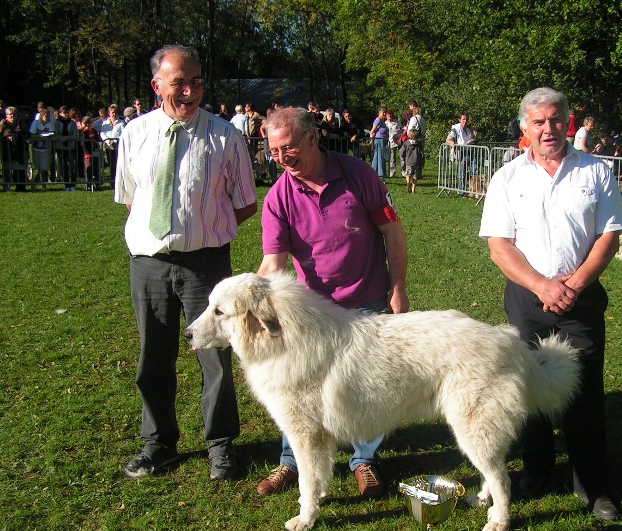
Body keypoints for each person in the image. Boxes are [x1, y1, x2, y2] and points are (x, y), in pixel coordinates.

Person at [478, 87, 622, 521]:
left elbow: (609, 235)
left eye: (556, 120)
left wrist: (575, 283)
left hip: (581, 298)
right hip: (528, 298)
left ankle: (593, 486)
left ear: (569, 122)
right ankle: (537, 470)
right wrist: (542, 286)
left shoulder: (596, 171)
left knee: (583, 393)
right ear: (525, 127)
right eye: (538, 122)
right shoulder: (507, 177)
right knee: (526, 387)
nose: (548, 129)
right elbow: (500, 246)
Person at [116, 44, 258, 481]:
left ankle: (220, 446)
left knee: (215, 359)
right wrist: (165, 236)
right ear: (158, 84)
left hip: (207, 266)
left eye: (197, 81)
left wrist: (204, 229)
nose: (190, 90)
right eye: (180, 82)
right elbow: (130, 200)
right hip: (150, 265)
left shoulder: (224, 136)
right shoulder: (133, 134)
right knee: (153, 358)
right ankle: (158, 445)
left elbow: (246, 203)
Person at [255, 107, 409, 499]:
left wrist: (398, 286)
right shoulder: (278, 198)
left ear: (312, 138)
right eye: (273, 152)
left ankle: (365, 461)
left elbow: (391, 230)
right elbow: (273, 264)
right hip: (312, 313)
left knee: (367, 385)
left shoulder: (359, 175)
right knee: (298, 386)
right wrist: (249, 299)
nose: (281, 158)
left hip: (367, 300)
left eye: (288, 148)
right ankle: (292, 462)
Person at [0, 106, 28, 191]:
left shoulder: (21, 123)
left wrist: (16, 136)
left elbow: (27, 134)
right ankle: (7, 186)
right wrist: (6, 137)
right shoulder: (3, 124)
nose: (12, 116)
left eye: (14, 114)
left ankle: (21, 185)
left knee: (20, 168)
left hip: (21, 149)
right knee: (7, 168)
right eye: (10, 114)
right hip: (7, 150)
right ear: (6, 115)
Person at [446, 112, 478, 196]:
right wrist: (452, 142)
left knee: (474, 171)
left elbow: (473, 138)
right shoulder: (455, 129)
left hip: (470, 151)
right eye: (463, 119)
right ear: (460, 120)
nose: (465, 121)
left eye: (466, 119)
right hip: (461, 153)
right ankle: (462, 192)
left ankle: (474, 191)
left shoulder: (470, 129)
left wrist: (474, 140)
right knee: (461, 173)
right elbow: (448, 139)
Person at [28, 107, 55, 190]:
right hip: (36, 148)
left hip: (46, 149)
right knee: (38, 168)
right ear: (42, 116)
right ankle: (36, 184)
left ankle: (43, 186)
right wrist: (40, 136)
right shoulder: (36, 123)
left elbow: (52, 134)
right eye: (46, 116)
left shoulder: (50, 124)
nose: (48, 118)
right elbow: (32, 135)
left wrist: (47, 136)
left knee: (44, 168)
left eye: (49, 116)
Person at [399, 127, 421, 193]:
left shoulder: (406, 143)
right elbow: (422, 153)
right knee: (415, 176)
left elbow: (401, 151)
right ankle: (413, 188)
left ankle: (408, 183)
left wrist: (402, 158)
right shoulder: (419, 144)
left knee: (408, 174)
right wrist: (422, 161)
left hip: (408, 162)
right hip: (416, 162)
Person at [369, 106, 389, 178]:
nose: (384, 114)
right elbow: (372, 132)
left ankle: (372, 172)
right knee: (380, 156)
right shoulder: (378, 120)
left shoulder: (382, 121)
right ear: (379, 112)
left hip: (382, 140)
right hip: (379, 140)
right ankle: (381, 174)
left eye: (385, 113)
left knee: (377, 157)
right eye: (383, 112)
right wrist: (372, 143)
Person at [385, 108, 402, 178]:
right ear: (386, 115)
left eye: (391, 114)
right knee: (392, 158)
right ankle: (392, 171)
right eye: (388, 114)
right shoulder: (385, 123)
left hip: (399, 141)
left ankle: (404, 171)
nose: (390, 116)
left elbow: (401, 129)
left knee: (402, 156)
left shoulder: (397, 122)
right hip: (390, 142)